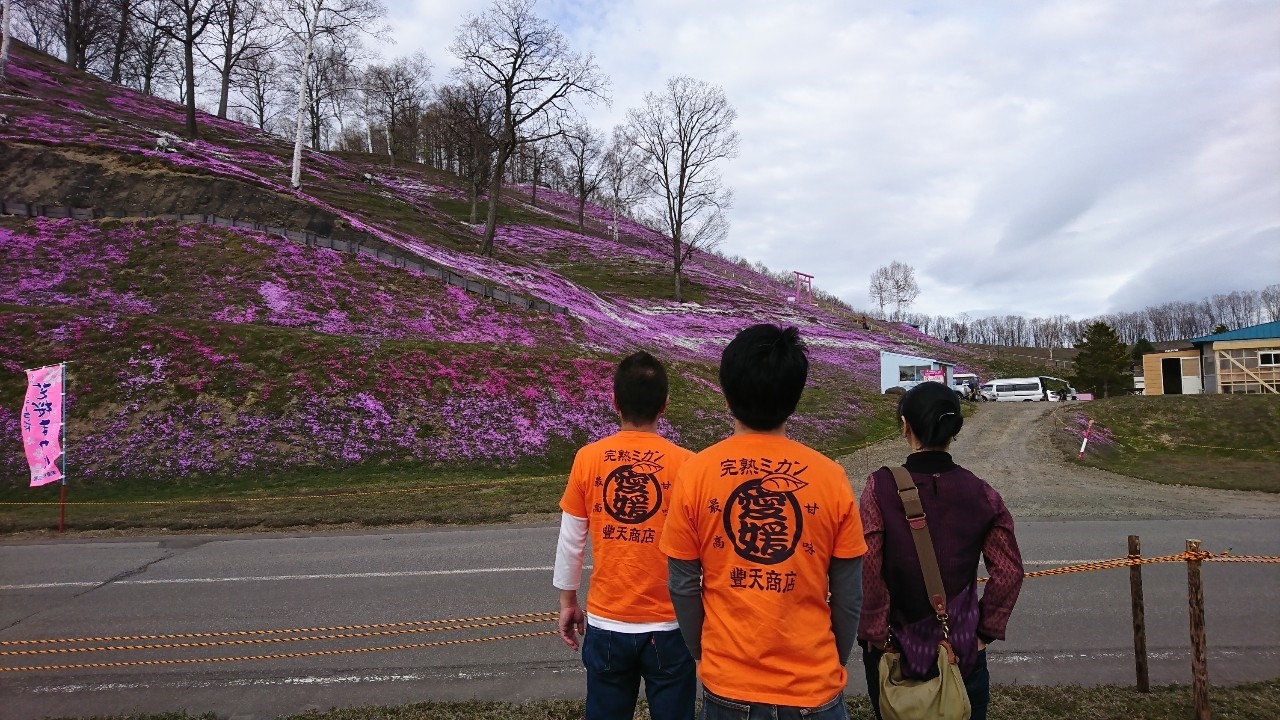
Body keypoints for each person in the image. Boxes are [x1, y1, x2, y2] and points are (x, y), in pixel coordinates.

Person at [660, 324, 866, 719]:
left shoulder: (696, 473)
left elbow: (683, 585)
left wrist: (700, 653)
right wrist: (833, 659)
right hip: (814, 690)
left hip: (728, 687)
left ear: (726, 395)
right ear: (794, 399)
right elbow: (848, 595)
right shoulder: (831, 478)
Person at [858, 381, 1024, 720]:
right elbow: (1009, 572)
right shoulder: (982, 492)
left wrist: (875, 631)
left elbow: (867, 565)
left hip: (893, 650)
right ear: (954, 430)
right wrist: (983, 633)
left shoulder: (880, 487)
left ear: (905, 426)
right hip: (960, 651)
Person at [553, 350, 697, 720]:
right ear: (664, 405)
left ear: (614, 401)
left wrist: (568, 601)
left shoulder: (588, 458)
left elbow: (571, 541)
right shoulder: (688, 464)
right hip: (671, 626)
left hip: (607, 623)